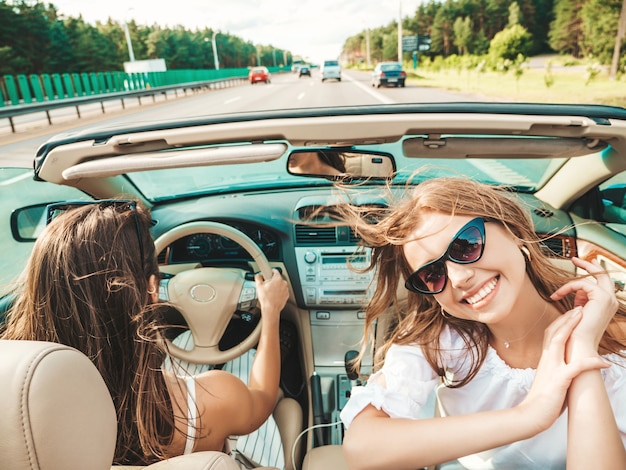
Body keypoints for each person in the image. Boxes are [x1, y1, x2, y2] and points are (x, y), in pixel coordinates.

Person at [336, 176, 626, 470]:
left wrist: (582, 350)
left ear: (512, 231)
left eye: (465, 246)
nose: (459, 279)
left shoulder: (617, 346)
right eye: (433, 274)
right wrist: (529, 415)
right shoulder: (444, 340)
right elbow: (362, 449)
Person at [0, 199, 290, 466]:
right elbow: (261, 399)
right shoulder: (208, 402)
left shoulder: (15, 401)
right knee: (284, 402)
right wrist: (272, 311)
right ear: (152, 288)